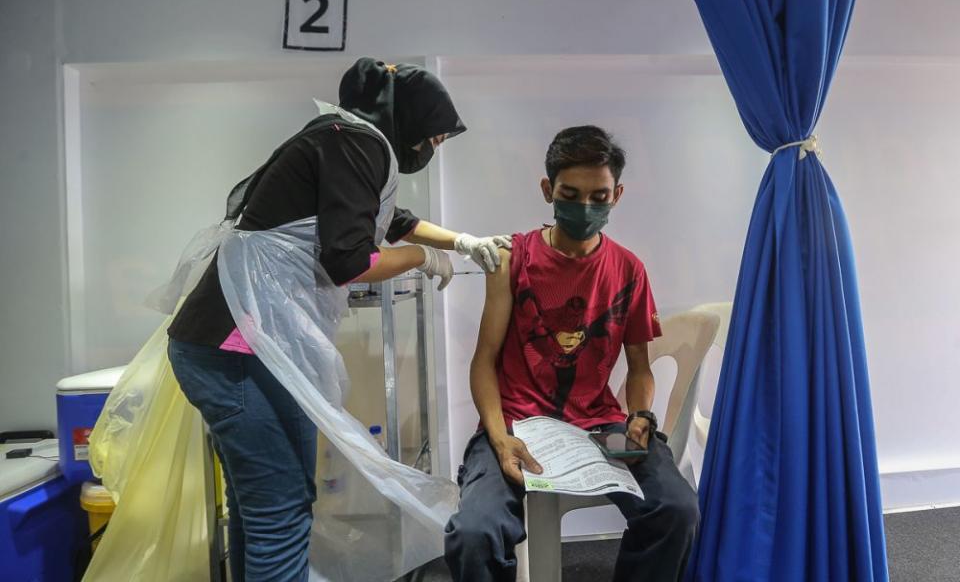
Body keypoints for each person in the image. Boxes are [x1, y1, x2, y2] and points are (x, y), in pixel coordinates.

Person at [166, 58, 509, 582]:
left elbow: (387, 219)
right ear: (409, 119)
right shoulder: (357, 143)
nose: (431, 150)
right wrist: (423, 259)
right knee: (278, 506)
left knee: (265, 503)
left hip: (245, 342)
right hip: (232, 347)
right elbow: (348, 260)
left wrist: (461, 242)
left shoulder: (342, 138)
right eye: (433, 137)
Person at [444, 126, 700, 582]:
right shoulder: (511, 259)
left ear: (617, 194)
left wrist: (640, 415)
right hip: (517, 423)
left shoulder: (627, 269)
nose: (585, 207)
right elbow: (484, 360)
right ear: (548, 190)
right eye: (571, 194)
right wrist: (500, 439)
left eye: (599, 196)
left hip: (598, 426)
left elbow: (639, 368)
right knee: (474, 533)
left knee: (676, 510)